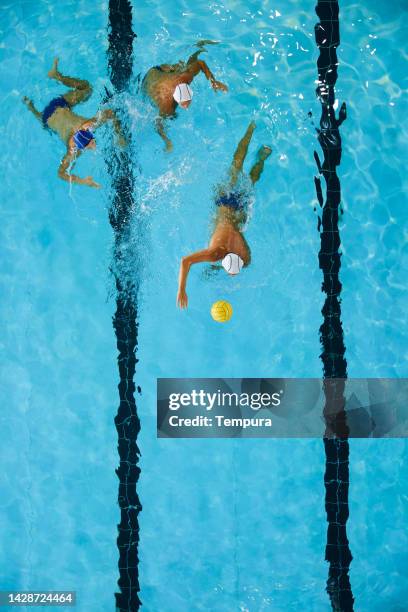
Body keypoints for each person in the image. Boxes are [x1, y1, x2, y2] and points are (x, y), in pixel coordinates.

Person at [177, 121, 271, 309]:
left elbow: (231, 260)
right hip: (223, 204)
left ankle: (260, 153)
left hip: (238, 211)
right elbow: (185, 261)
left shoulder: (245, 256)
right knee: (236, 167)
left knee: (248, 177)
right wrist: (181, 289)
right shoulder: (216, 254)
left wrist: (215, 269)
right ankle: (251, 133)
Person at [22, 58, 125, 188]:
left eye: (91, 143)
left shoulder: (88, 125)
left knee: (87, 88)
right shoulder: (72, 151)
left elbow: (110, 113)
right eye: (91, 144)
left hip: (59, 107)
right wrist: (83, 181)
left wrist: (119, 135)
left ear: (87, 131)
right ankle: (33, 103)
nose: (94, 147)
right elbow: (60, 174)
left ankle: (52, 81)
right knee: (44, 122)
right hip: (53, 114)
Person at [142, 42, 228, 151]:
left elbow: (200, 63)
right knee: (170, 116)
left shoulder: (185, 78)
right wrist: (167, 141)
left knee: (184, 67)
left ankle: (198, 46)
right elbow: (158, 123)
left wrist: (213, 81)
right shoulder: (166, 104)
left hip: (164, 70)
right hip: (149, 79)